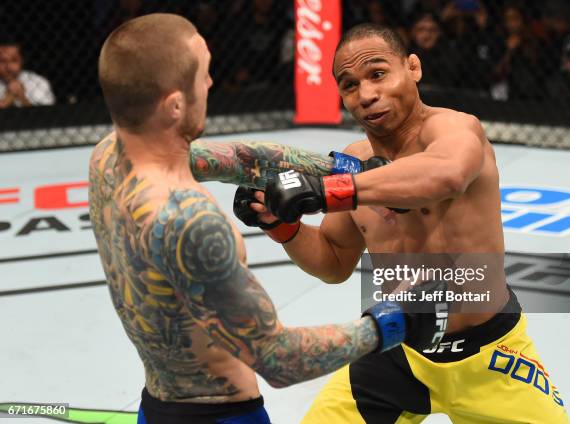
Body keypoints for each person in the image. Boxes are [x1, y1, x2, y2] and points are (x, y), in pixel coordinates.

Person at [92, 13, 442, 424]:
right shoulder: (189, 219)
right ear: (174, 105)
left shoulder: (108, 157)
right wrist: (393, 323)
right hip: (223, 415)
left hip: (156, 405)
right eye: (203, 77)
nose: (209, 85)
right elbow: (279, 359)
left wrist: (352, 171)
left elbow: (244, 159)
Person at [224, 23, 569, 423]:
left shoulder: (454, 129)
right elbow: (334, 262)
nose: (367, 94)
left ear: (413, 68)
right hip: (397, 350)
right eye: (349, 85)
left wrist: (331, 190)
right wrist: (281, 227)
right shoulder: (352, 160)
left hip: (489, 356)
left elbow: (447, 174)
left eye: (377, 74)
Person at [0, 38, 55, 108]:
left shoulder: (38, 82)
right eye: (2, 61)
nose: (8, 66)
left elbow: (48, 115)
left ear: (22, 61)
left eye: (14, 60)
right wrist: (7, 100)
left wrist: (22, 98)